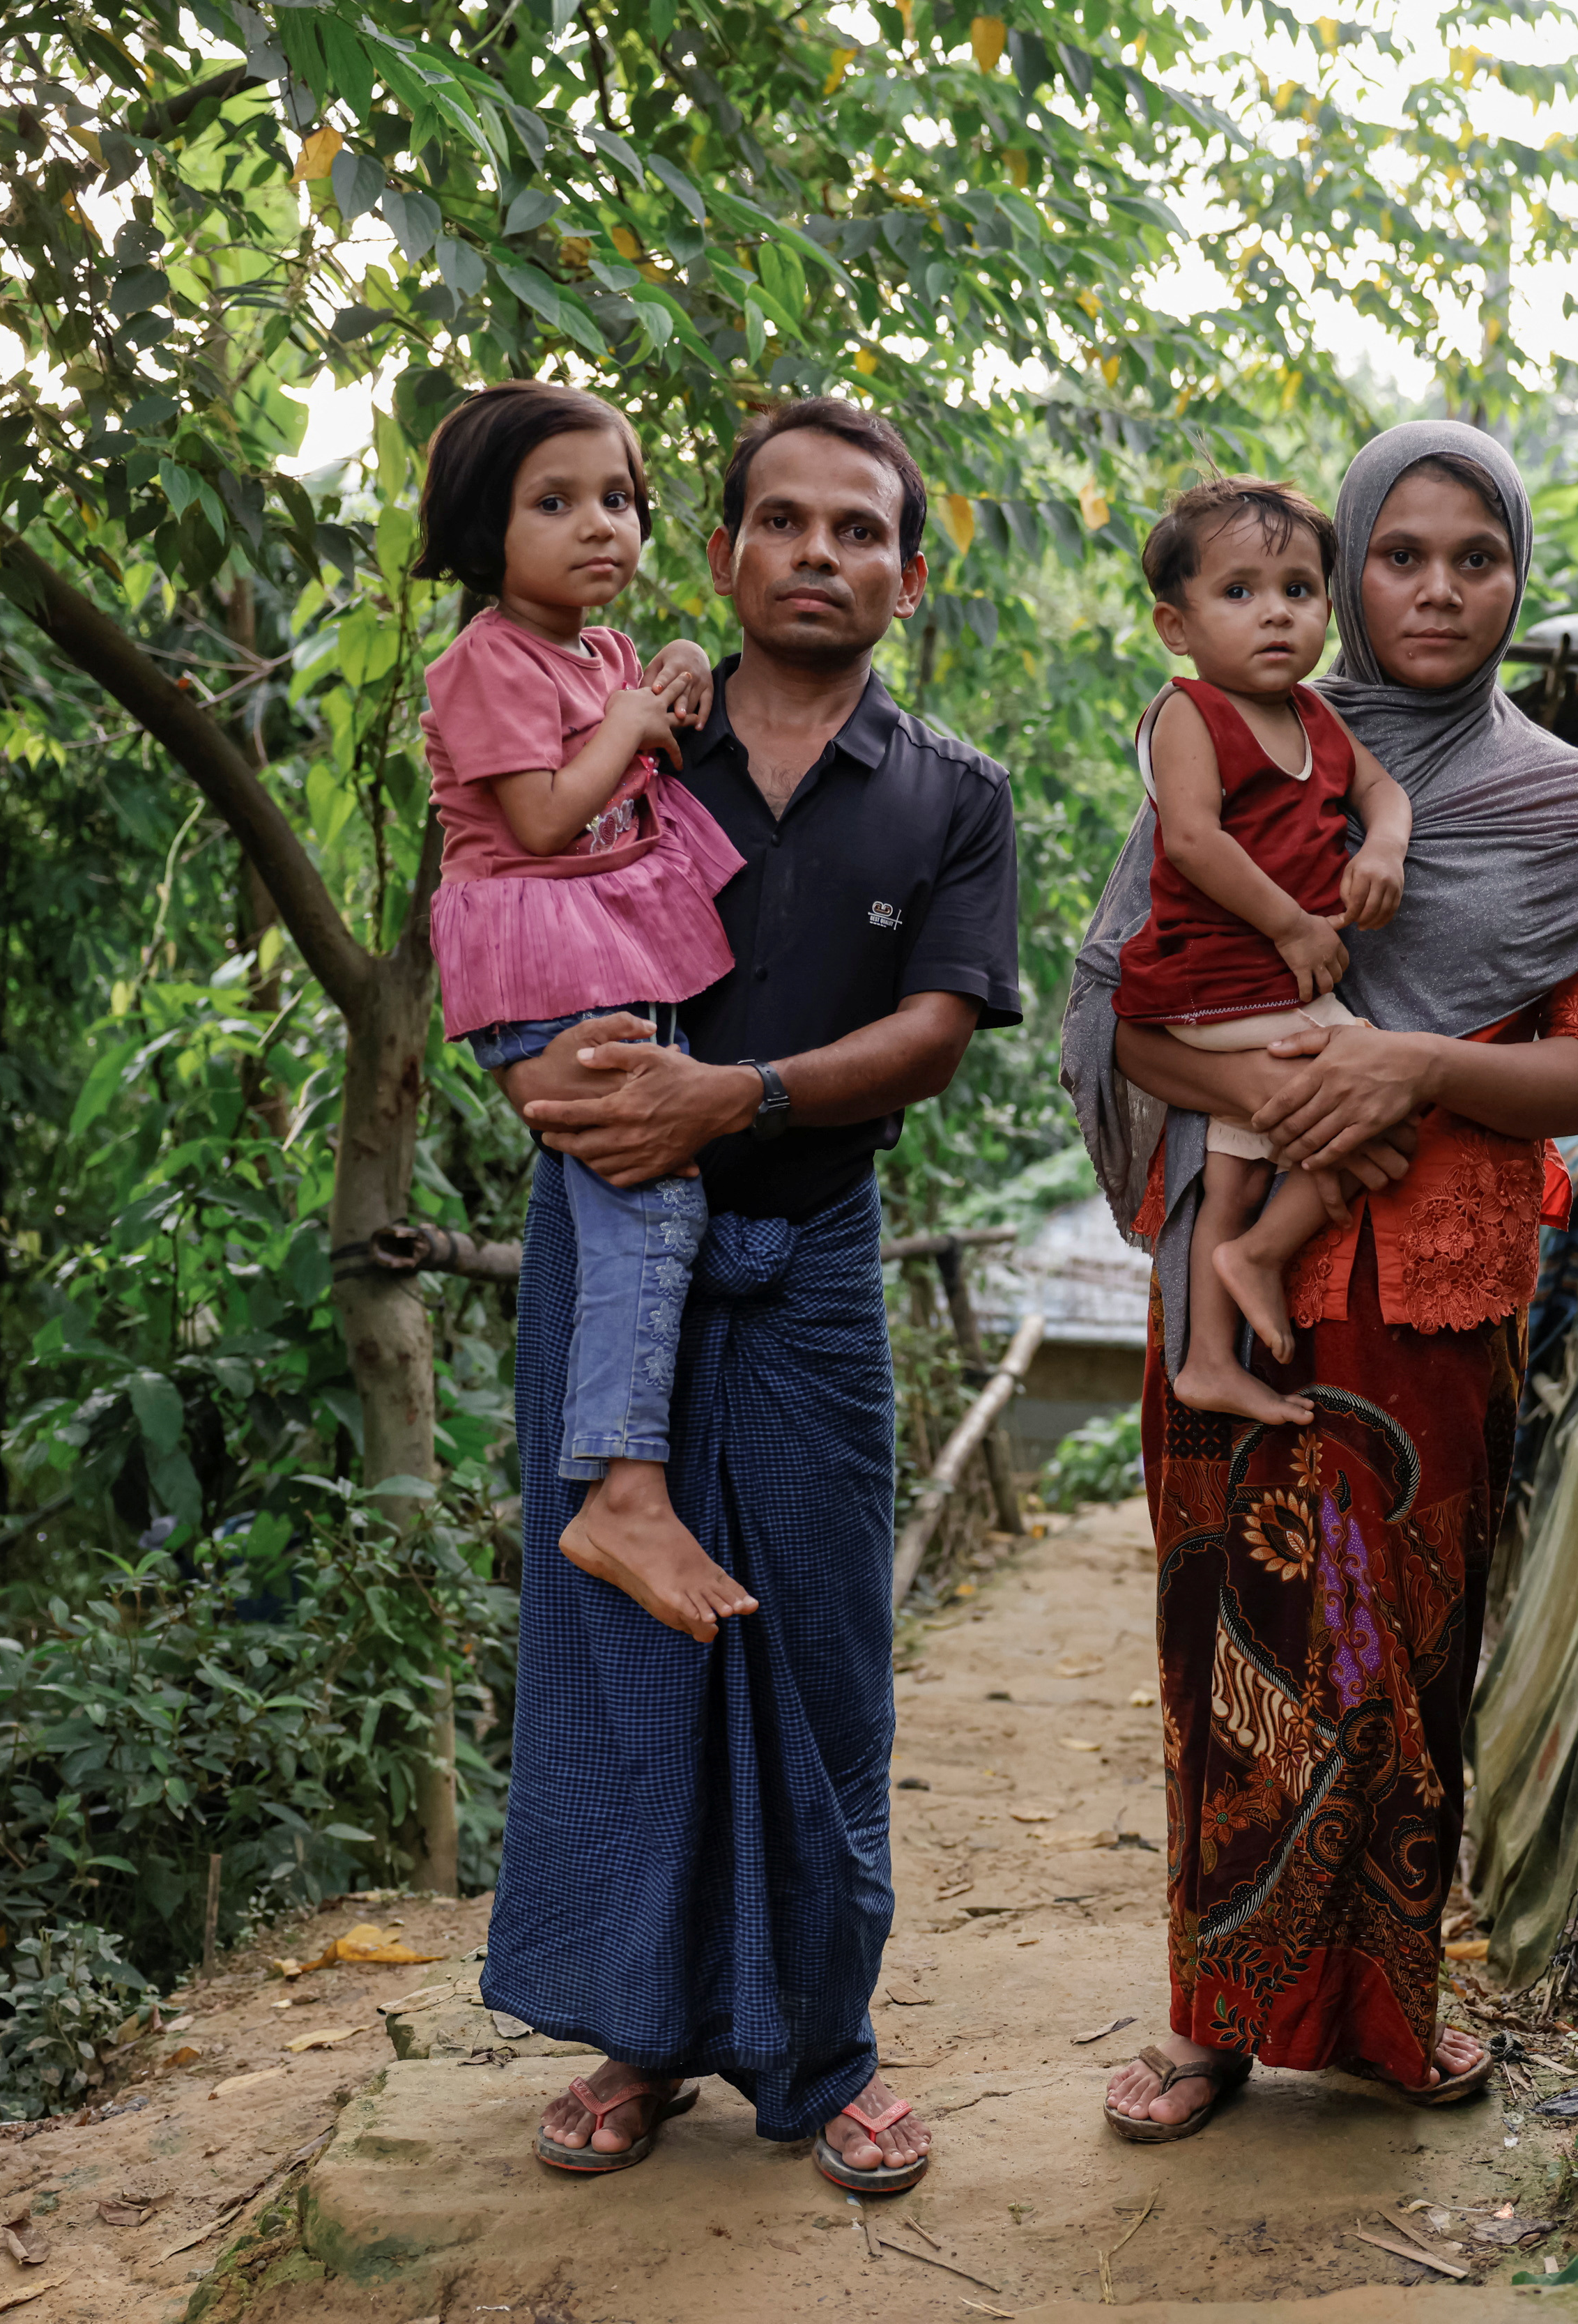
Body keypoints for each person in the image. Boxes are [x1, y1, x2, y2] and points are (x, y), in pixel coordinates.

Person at [1059, 421, 1578, 2143]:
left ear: (1519, 574)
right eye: (1401, 554)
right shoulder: (1235, 767)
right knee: (1231, 1645)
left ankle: (1392, 2017)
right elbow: (1131, 1015)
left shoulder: (1567, 803)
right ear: (1344, 573)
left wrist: (1413, 1068)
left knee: (1396, 1659)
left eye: (1478, 556)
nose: (1440, 589)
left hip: (1431, 1285)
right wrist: (1274, 1091)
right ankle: (1212, 2022)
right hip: (1238, 1278)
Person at [480, 397, 1022, 2198]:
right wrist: (543, 1090)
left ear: (907, 575)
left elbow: (938, 1035)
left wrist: (741, 1099)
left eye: (856, 529)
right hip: (616, 1253)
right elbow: (503, 911)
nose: (817, 552)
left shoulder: (952, 794)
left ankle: (826, 2051)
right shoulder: (639, 745)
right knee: (628, 1658)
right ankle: (641, 2042)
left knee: (822, 1655)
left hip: (810, 1274)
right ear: (723, 559)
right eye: (779, 522)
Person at [411, 380, 758, 1647]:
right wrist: (624, 719)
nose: (598, 525)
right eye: (553, 503)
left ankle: (627, 1479)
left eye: (617, 499)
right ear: (477, 529)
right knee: (652, 1194)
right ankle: (621, 1489)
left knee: (652, 1194)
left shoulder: (596, 652)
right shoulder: (483, 663)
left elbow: (646, 726)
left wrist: (661, 673)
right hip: (547, 944)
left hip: (600, 940)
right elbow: (547, 820)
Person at [1113, 477, 1411, 1427]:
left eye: (1298, 589)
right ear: (1177, 624)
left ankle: (1208, 1358)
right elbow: (1195, 841)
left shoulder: (1319, 720)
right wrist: (1291, 924)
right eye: (1238, 592)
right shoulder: (1190, 716)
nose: (1275, 613)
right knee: (1372, 1103)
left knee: (1235, 1172)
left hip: (1258, 989)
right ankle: (1261, 1257)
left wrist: (1386, 848)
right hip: (1214, 981)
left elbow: (1386, 796)